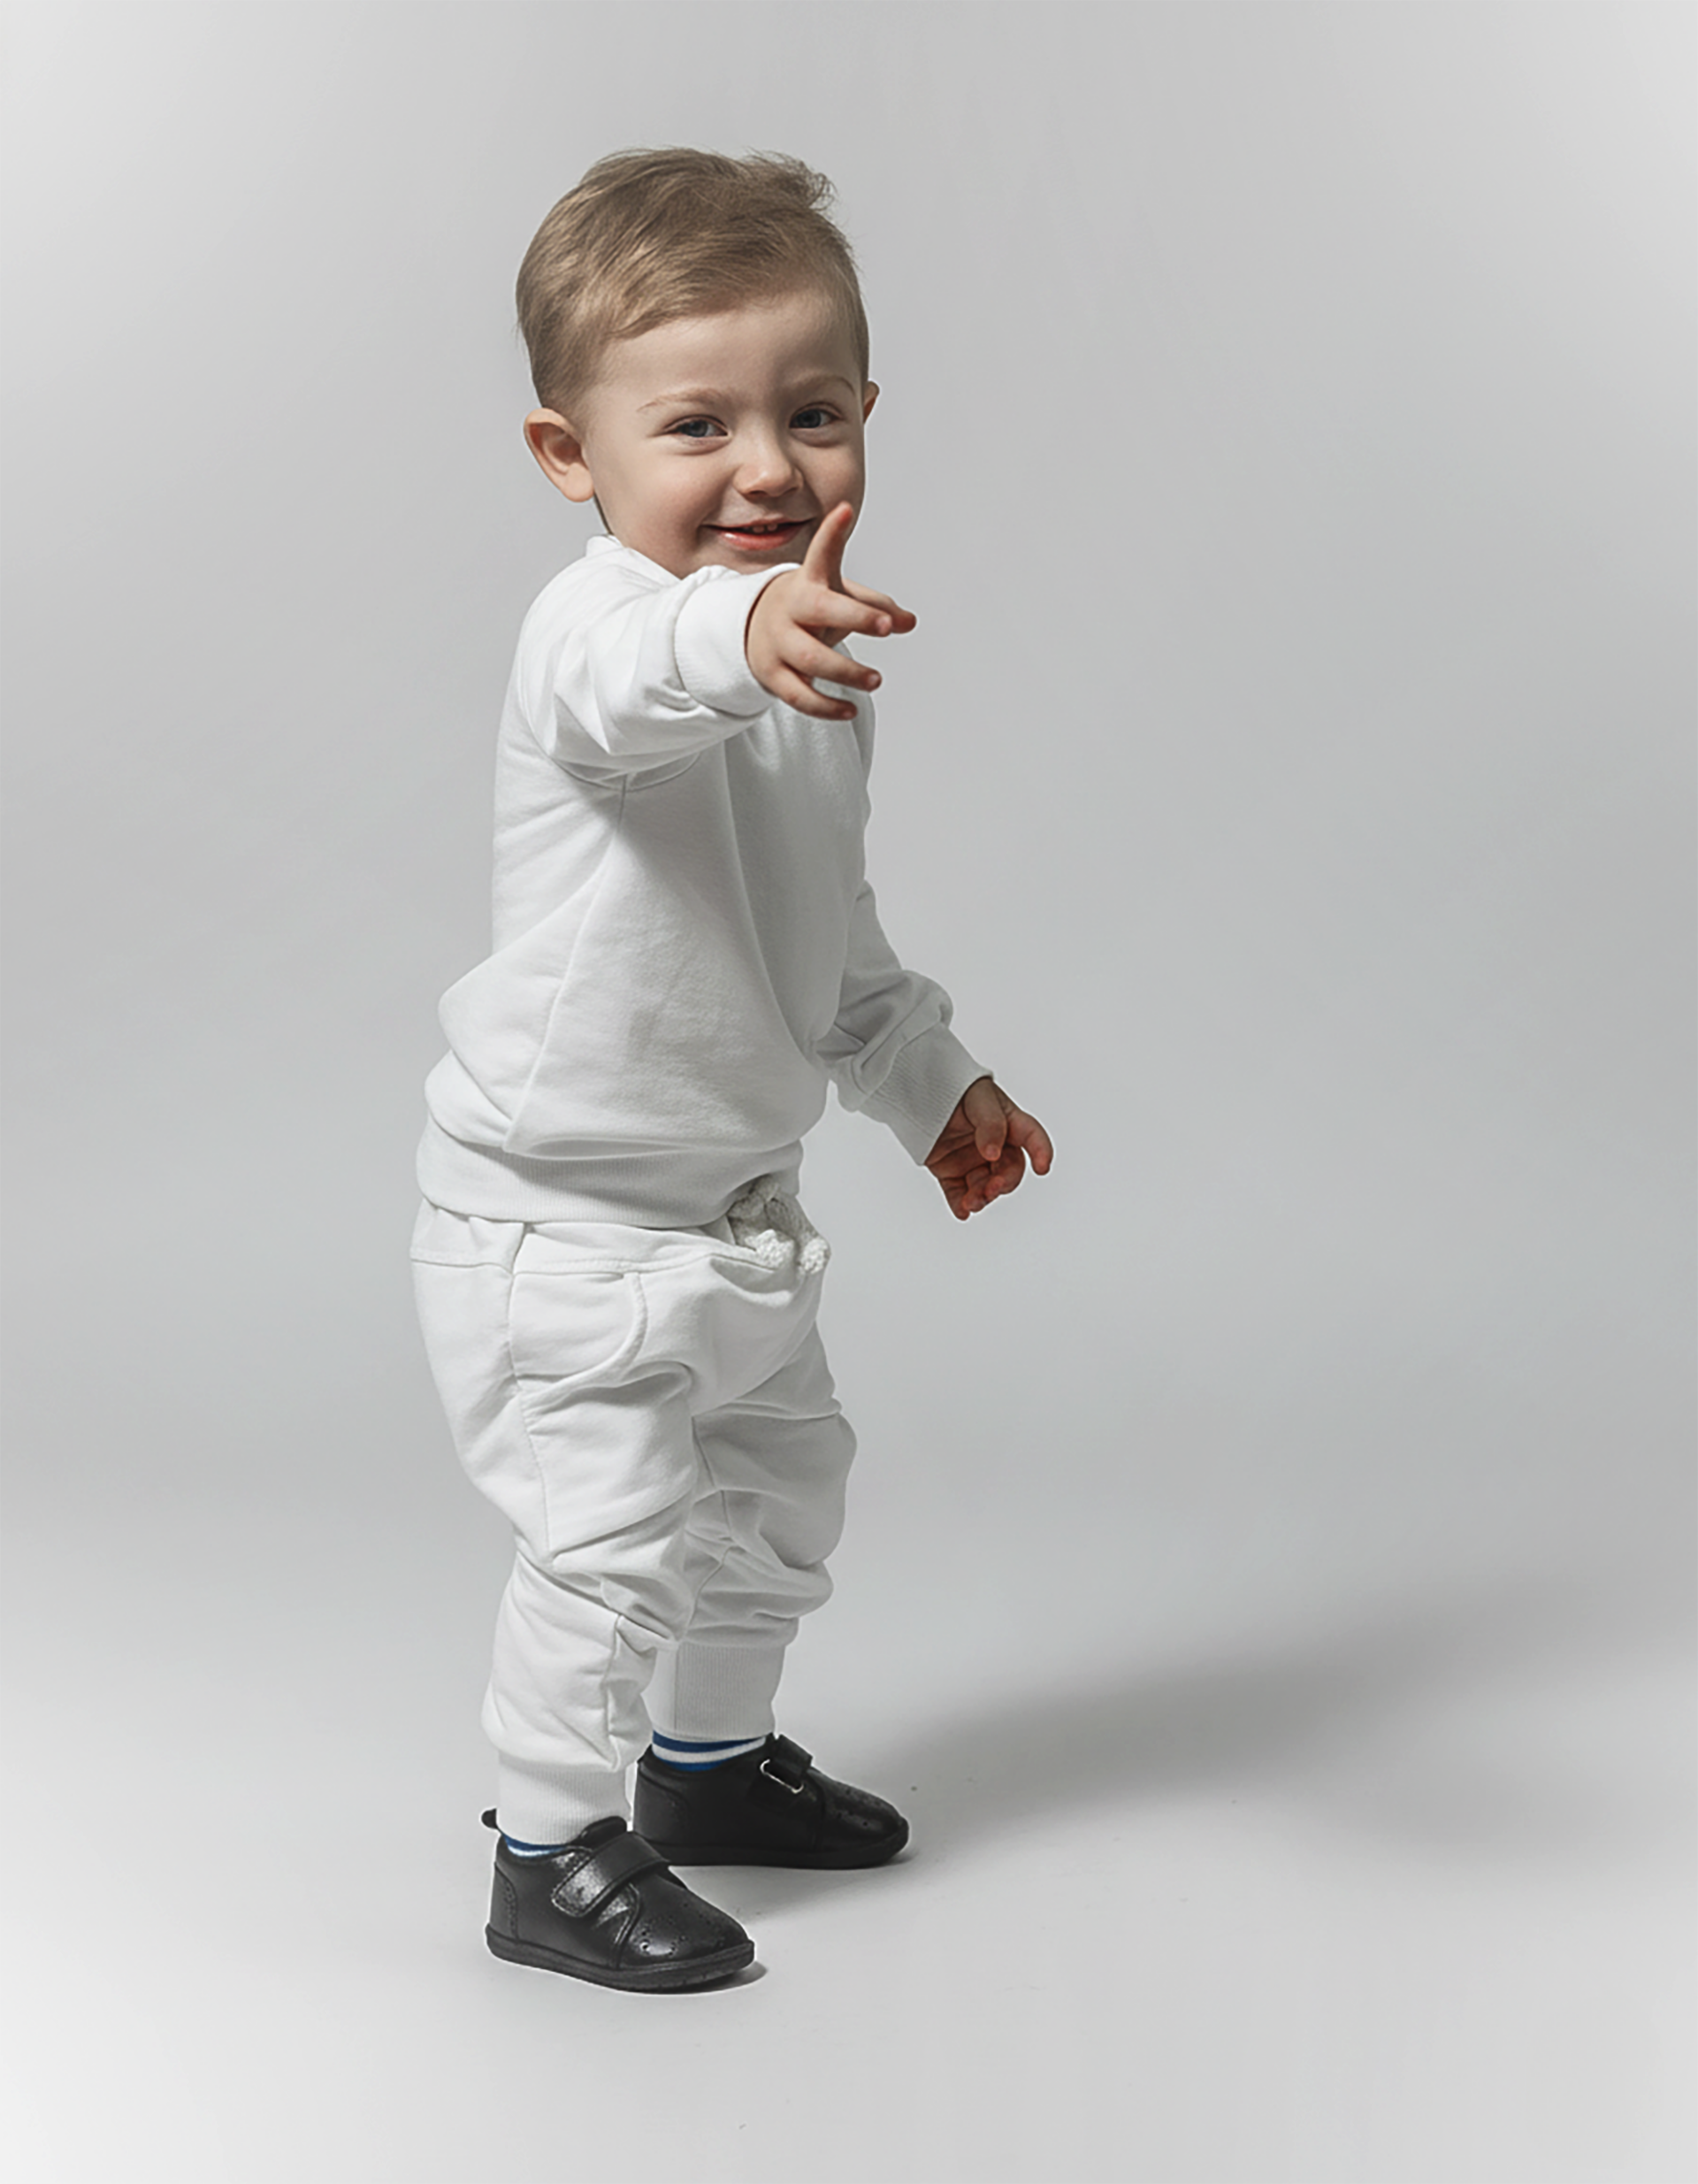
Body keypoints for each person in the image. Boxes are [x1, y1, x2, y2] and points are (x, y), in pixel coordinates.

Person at [411, 147, 1053, 1993]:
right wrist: (740, 630)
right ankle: (548, 1848)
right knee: (608, 1547)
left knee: (778, 1497)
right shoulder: (602, 631)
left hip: (730, 1218)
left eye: (812, 414)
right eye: (696, 425)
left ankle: (702, 1766)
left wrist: (933, 1083)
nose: (768, 467)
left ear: (866, 416)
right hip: (559, 1232)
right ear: (572, 456)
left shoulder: (811, 681)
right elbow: (638, 680)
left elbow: (827, 934)